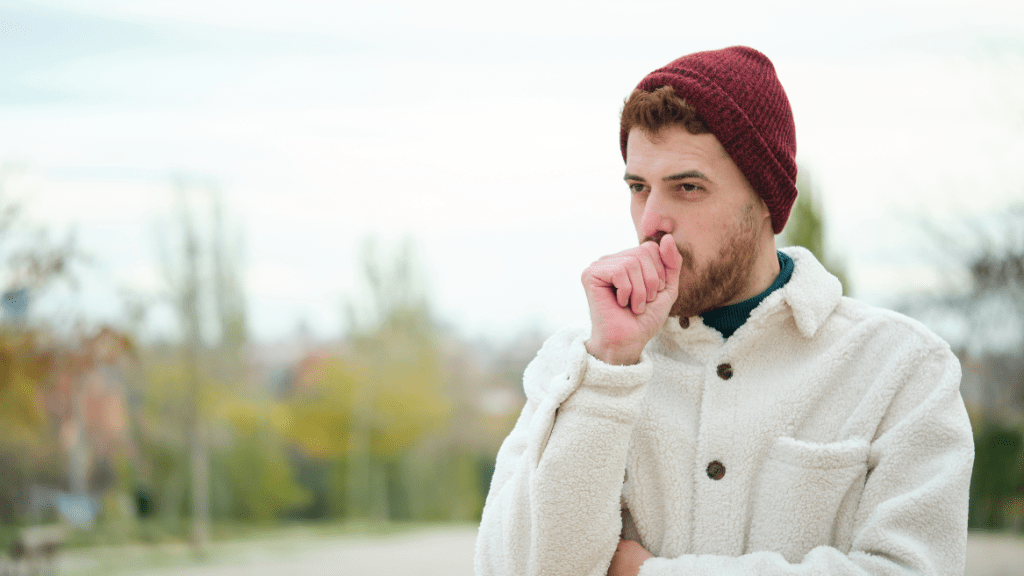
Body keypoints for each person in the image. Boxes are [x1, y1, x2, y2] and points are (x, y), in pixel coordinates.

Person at [474, 46, 974, 576]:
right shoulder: (580, 365)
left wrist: (649, 574)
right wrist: (611, 369)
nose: (652, 222)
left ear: (764, 197)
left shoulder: (902, 368)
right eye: (639, 188)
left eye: (687, 188)